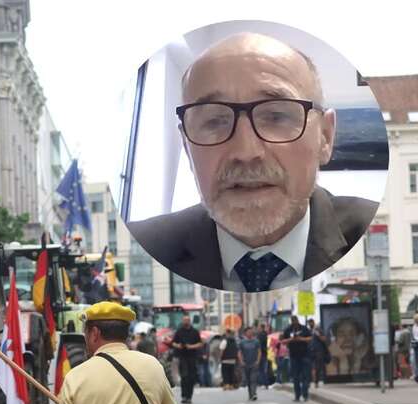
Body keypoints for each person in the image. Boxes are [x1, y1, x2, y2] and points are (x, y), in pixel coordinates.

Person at [127, 32, 378, 292]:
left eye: (277, 116)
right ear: (188, 149)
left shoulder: (373, 228)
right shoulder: (147, 243)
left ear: (325, 137)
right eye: (214, 121)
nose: (246, 151)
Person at [171, 315, 203, 404]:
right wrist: (178, 346)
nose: (186, 322)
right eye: (184, 320)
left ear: (190, 321)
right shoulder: (179, 331)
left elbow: (200, 343)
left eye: (187, 320)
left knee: (191, 377)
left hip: (192, 357)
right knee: (184, 376)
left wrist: (191, 347)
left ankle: (189, 397)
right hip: (182, 357)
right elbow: (173, 343)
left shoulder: (195, 332)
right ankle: (184, 396)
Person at [281, 316, 312, 401]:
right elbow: (283, 341)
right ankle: (297, 395)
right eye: (293, 322)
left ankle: (305, 394)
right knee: (296, 377)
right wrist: (291, 339)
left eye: (296, 321)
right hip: (294, 356)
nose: (294, 323)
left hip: (304, 355)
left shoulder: (304, 328)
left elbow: (310, 338)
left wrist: (301, 339)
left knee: (306, 376)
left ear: (298, 321)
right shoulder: (288, 329)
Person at [238, 326, 262, 401]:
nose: (250, 333)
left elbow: (259, 352)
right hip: (245, 363)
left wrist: (258, 361)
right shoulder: (242, 342)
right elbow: (239, 352)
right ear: (245, 333)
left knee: (253, 379)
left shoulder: (256, 341)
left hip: (254, 363)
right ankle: (250, 394)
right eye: (249, 332)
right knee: (248, 380)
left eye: (251, 331)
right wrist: (241, 361)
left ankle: (254, 393)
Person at [307, 318, 330, 387]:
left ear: (313, 323)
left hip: (318, 351)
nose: (310, 324)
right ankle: (311, 381)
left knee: (317, 367)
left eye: (311, 323)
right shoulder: (309, 331)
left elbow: (324, 339)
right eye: (309, 323)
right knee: (310, 367)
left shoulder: (318, 330)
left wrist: (318, 335)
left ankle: (316, 382)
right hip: (310, 351)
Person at [256, 323, 270, 388]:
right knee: (264, 369)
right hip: (265, 353)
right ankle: (265, 383)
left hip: (260, 354)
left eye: (258, 327)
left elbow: (259, 345)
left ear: (261, 328)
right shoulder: (266, 334)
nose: (257, 328)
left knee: (260, 369)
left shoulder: (260, 335)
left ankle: (261, 383)